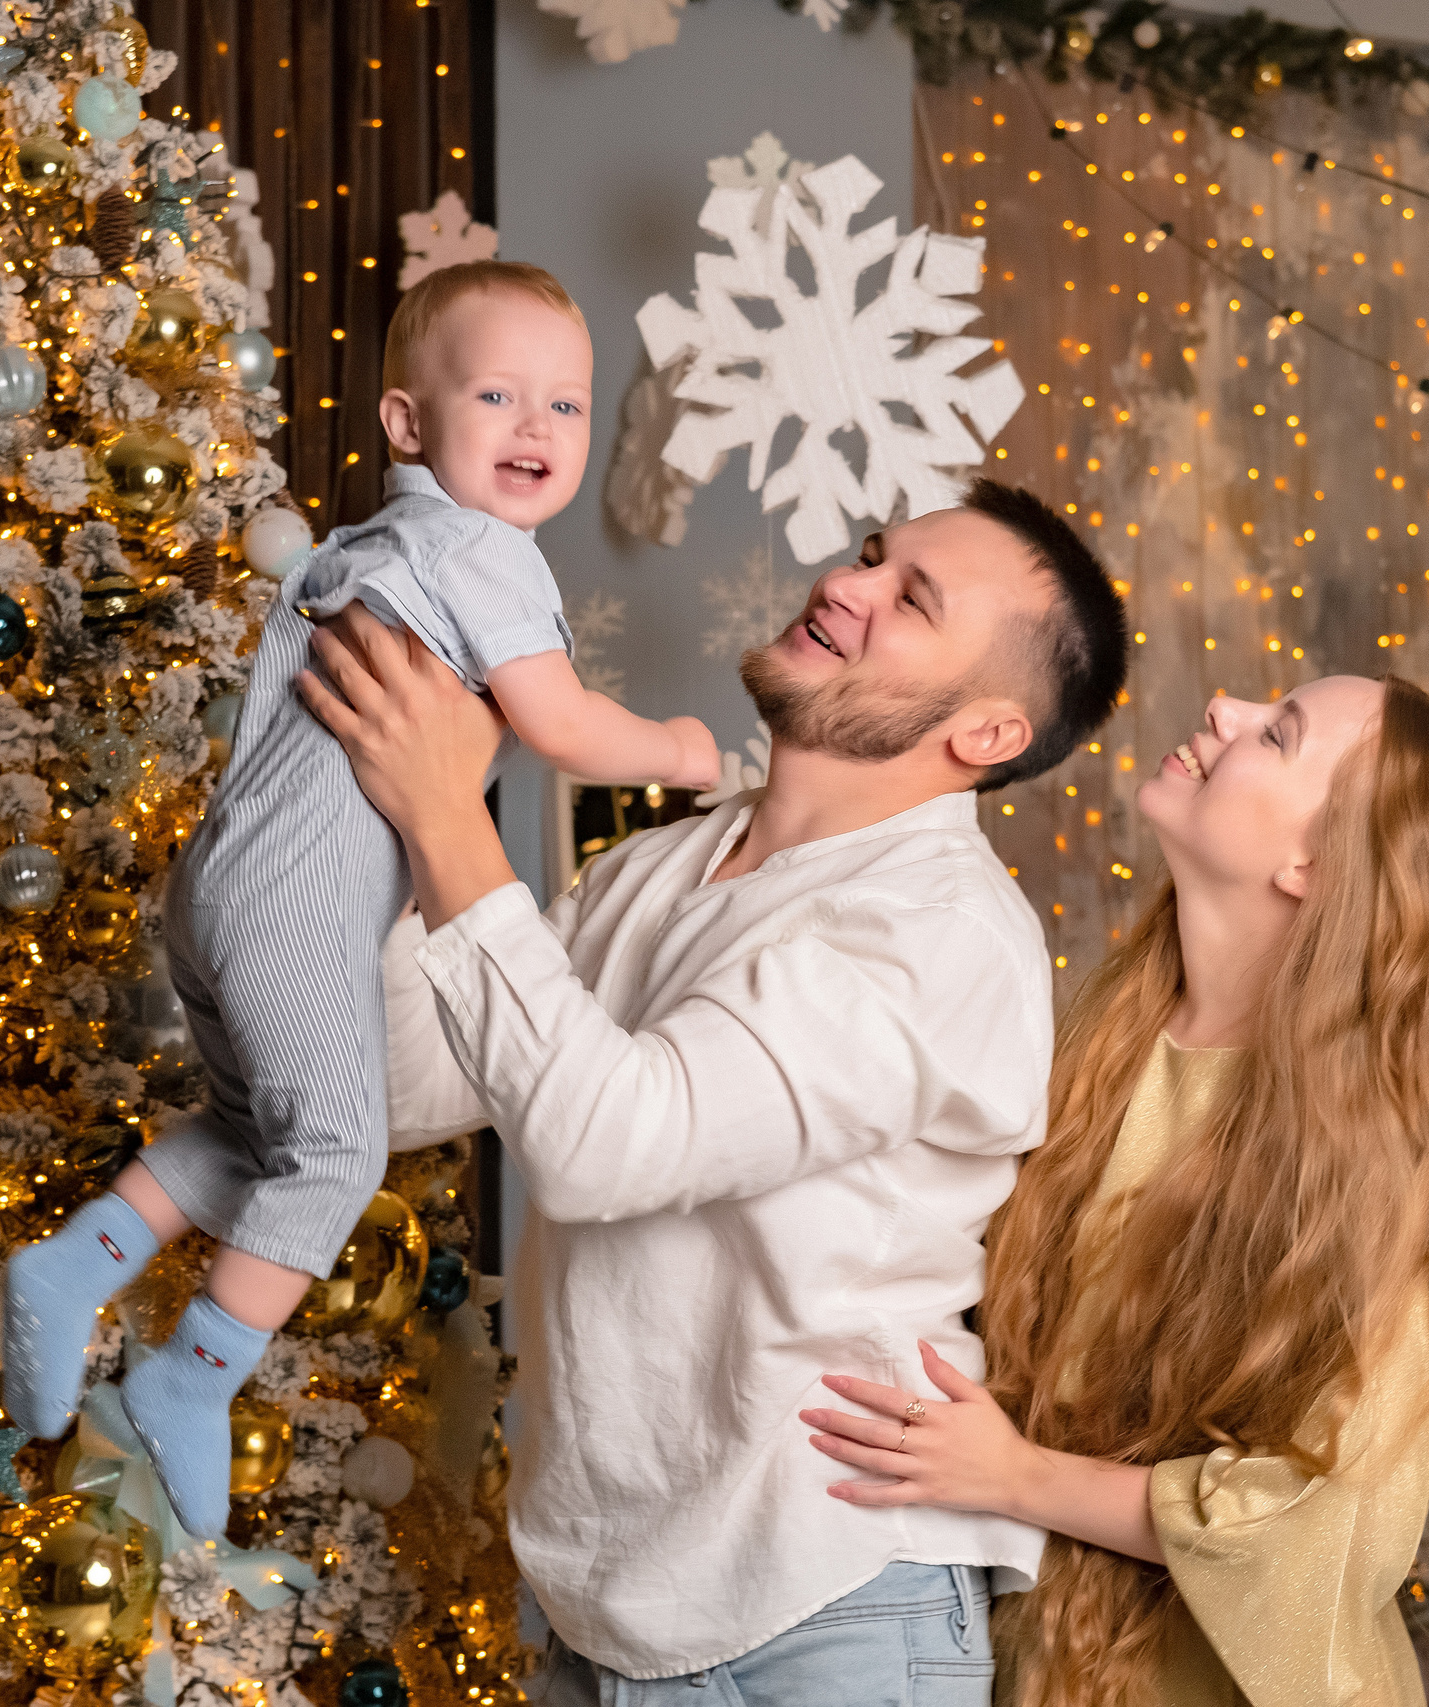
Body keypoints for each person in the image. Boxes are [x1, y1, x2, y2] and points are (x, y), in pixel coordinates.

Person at [297, 482, 1129, 1702]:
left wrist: (444, 812)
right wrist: (384, 821)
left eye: (911, 600)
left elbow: (606, 1145)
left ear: (986, 733)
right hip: (603, 1611)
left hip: (825, 1607)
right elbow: (405, 1088)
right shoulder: (657, 866)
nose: (844, 584)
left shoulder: (934, 929)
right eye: (870, 554)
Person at [0, 260, 721, 1537]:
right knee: (337, 1153)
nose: (537, 427)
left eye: (565, 404)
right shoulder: (481, 552)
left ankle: (75, 1265)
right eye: (497, 395)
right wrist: (675, 747)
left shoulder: (370, 547)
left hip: (223, 889)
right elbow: (556, 721)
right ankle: (190, 1381)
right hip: (296, 900)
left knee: (250, 1133)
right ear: (407, 422)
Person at [794, 675, 1429, 1707]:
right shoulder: (1099, 1046)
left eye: (1277, 732)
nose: (1223, 708)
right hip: (1051, 1662)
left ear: (1313, 865)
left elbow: (1313, 1524)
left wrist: (1014, 1475)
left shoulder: (1373, 1167)